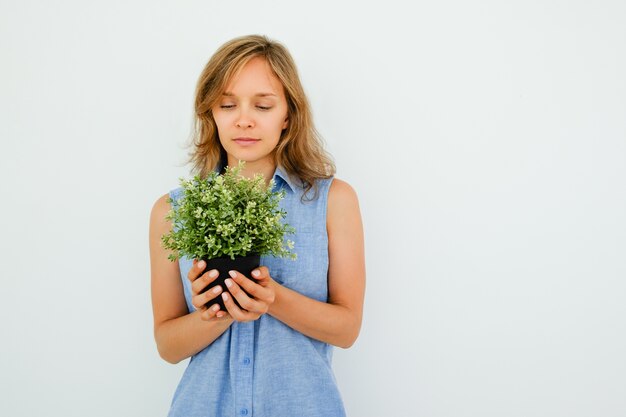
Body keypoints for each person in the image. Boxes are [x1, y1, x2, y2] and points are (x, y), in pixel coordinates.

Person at [149, 34, 365, 417]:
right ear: (210, 114)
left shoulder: (333, 201)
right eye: (227, 104)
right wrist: (218, 310)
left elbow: (346, 329)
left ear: (288, 115)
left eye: (263, 105)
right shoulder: (172, 211)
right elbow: (167, 346)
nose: (244, 119)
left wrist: (271, 298)